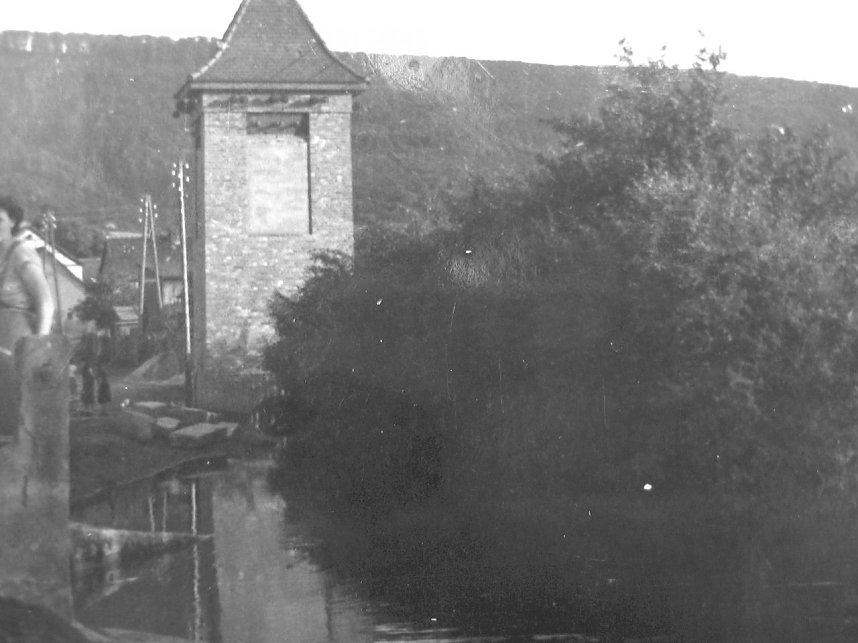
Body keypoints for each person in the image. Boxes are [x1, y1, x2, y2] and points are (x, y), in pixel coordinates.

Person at [0, 196, 55, 439]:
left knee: (16, 417)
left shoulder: (21, 252)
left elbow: (46, 303)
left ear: (12, 221)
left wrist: (38, 350)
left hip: (18, 345)